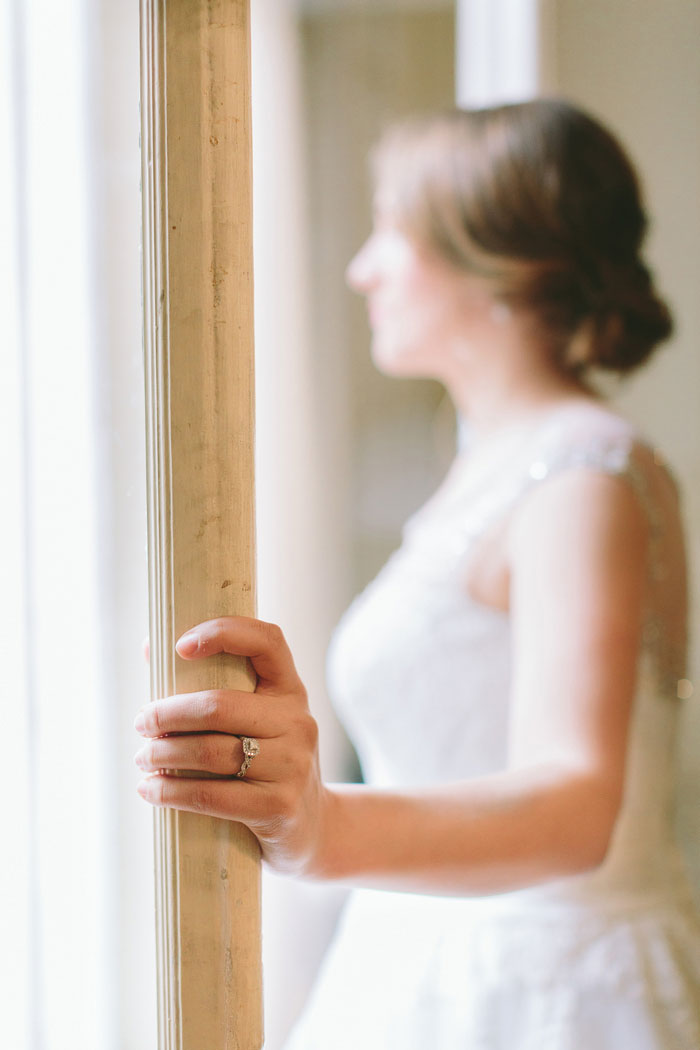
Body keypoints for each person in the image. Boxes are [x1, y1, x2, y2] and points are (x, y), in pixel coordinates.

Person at [134, 99, 700, 1048]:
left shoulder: (583, 478)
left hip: (537, 999)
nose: (362, 270)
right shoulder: (494, 459)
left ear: (497, 264)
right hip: (426, 965)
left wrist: (314, 824)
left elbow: (575, 804)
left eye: (392, 231)